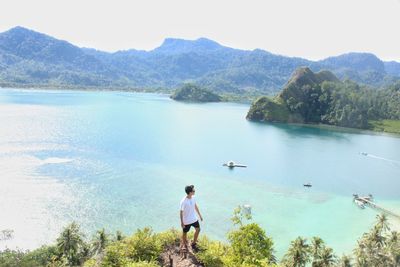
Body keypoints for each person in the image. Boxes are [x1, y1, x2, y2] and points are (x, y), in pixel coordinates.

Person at [180, 185, 203, 251]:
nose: (194, 191)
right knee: (185, 233)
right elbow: (181, 212)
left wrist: (200, 215)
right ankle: (184, 245)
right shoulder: (183, 201)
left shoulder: (193, 197)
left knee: (198, 229)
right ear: (190, 192)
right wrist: (182, 222)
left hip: (194, 219)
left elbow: (195, 206)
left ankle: (193, 243)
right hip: (186, 221)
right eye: (193, 191)